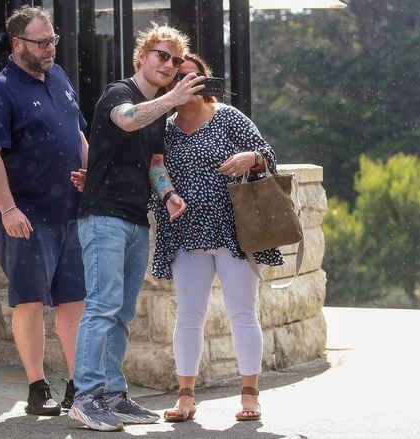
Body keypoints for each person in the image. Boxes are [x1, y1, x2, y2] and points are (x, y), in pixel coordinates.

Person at [67, 24, 205, 432]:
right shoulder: (119, 93)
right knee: (102, 306)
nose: (169, 64)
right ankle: (86, 397)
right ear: (142, 57)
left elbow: (155, 165)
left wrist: (168, 196)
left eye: (176, 60)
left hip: (134, 219)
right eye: (161, 55)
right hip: (102, 217)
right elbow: (127, 121)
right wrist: (172, 98)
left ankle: (112, 394)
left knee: (122, 312)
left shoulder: (159, 113)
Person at [152, 53, 284, 423]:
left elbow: (268, 157)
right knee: (189, 316)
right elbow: (154, 168)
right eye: (180, 78)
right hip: (185, 233)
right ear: (170, 86)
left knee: (242, 313)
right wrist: (167, 194)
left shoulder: (228, 116)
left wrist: (249, 158)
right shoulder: (164, 127)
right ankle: (186, 397)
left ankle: (250, 394)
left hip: (233, 231)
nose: (188, 83)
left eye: (195, 77)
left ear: (206, 81)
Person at [0, 5, 87, 416]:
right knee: (31, 302)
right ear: (17, 43)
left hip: (70, 212)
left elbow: (76, 131)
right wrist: (7, 209)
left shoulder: (58, 77)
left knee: (75, 301)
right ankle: (38, 388)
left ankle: (79, 386)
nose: (51, 48)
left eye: (53, 39)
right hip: (26, 216)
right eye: (42, 42)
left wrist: (89, 174)